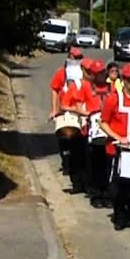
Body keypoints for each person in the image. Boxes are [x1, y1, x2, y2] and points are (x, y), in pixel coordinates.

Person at [99, 64, 130, 231]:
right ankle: (120, 215)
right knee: (117, 187)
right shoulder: (113, 99)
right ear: (123, 80)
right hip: (116, 150)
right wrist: (118, 137)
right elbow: (103, 122)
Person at [48, 47, 89, 186]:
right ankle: (67, 163)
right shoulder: (62, 73)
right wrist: (54, 109)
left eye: (78, 57)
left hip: (80, 110)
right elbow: (55, 90)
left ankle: (78, 171)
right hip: (64, 110)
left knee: (80, 141)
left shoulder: (83, 73)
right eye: (74, 57)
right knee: (64, 139)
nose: (76, 60)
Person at [81, 59, 115, 208]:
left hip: (107, 129)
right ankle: (96, 194)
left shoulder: (111, 88)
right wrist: (85, 113)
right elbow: (75, 104)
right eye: (98, 73)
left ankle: (107, 193)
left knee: (108, 164)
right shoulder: (86, 87)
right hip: (93, 129)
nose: (101, 75)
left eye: (102, 72)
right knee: (94, 163)